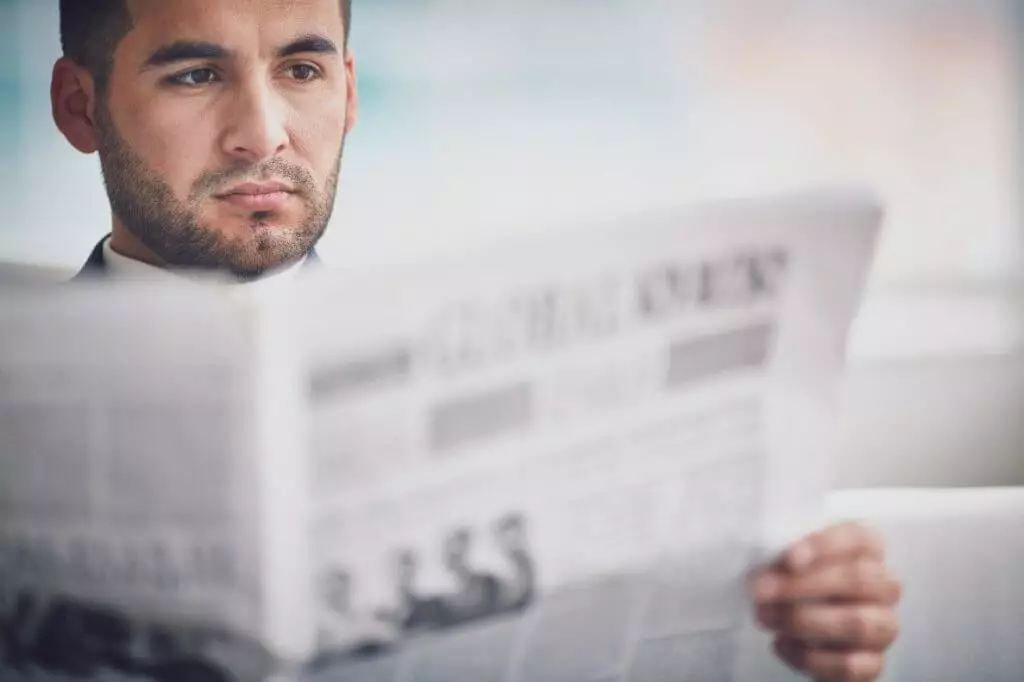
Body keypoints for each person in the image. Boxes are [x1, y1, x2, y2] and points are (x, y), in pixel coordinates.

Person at [50, 1, 901, 679]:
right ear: (79, 105)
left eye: (301, 69)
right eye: (196, 74)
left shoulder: (506, 381)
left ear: (347, 93)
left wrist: (807, 618)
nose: (264, 133)